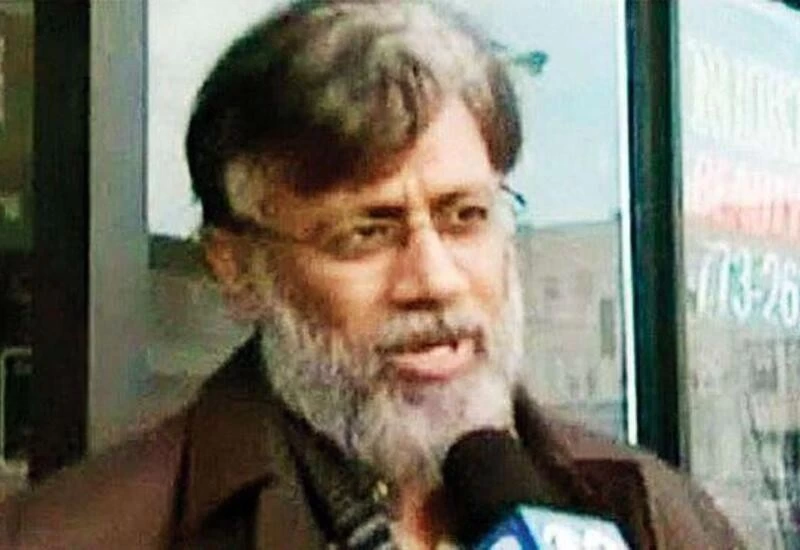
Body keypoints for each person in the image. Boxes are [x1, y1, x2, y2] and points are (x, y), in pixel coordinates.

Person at [0, 1, 745, 548]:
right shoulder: (83, 535)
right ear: (236, 266)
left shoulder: (648, 511)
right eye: (367, 233)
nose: (435, 280)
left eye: (465, 216)